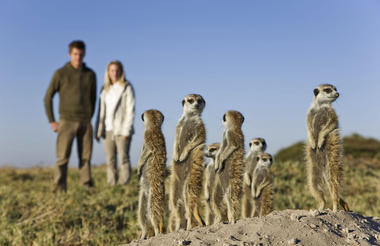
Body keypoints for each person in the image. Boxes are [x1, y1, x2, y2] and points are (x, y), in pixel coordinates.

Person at [44, 40, 97, 192]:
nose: (78, 57)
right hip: (66, 121)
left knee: (85, 158)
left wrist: (89, 116)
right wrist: (52, 121)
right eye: (75, 54)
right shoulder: (60, 73)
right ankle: (59, 188)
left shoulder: (90, 74)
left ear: (84, 54)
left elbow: (93, 98)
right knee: (62, 157)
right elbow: (47, 97)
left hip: (85, 122)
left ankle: (86, 187)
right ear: (70, 54)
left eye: (80, 54)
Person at [95, 61, 135, 185]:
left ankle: (124, 185)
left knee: (123, 158)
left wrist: (126, 130)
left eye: (117, 70)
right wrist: (99, 130)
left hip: (122, 129)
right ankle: (112, 185)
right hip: (108, 129)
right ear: (108, 72)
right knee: (110, 160)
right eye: (112, 70)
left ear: (121, 71)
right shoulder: (104, 89)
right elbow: (101, 111)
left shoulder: (126, 87)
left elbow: (130, 109)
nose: (115, 73)